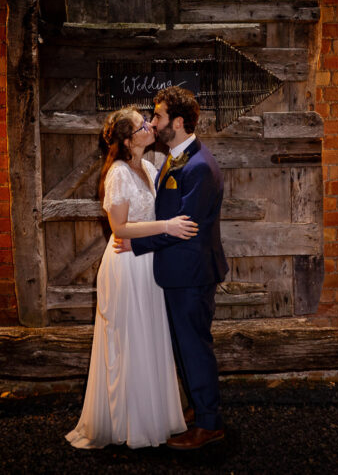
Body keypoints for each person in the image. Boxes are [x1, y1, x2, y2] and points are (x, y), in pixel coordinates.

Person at [65, 106, 196, 449]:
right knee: (128, 338)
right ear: (127, 140)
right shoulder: (119, 174)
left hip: (146, 262)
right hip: (125, 265)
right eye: (142, 125)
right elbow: (119, 228)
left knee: (149, 336)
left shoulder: (149, 167)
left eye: (149, 121)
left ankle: (155, 416)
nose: (150, 126)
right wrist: (167, 227)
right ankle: (127, 422)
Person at [114, 87, 229, 450]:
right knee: (184, 346)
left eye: (159, 116)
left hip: (192, 274)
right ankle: (199, 406)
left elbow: (186, 226)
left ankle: (210, 423)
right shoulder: (175, 157)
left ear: (177, 123)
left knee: (195, 347)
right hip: (178, 273)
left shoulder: (199, 167)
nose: (153, 122)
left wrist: (137, 243)